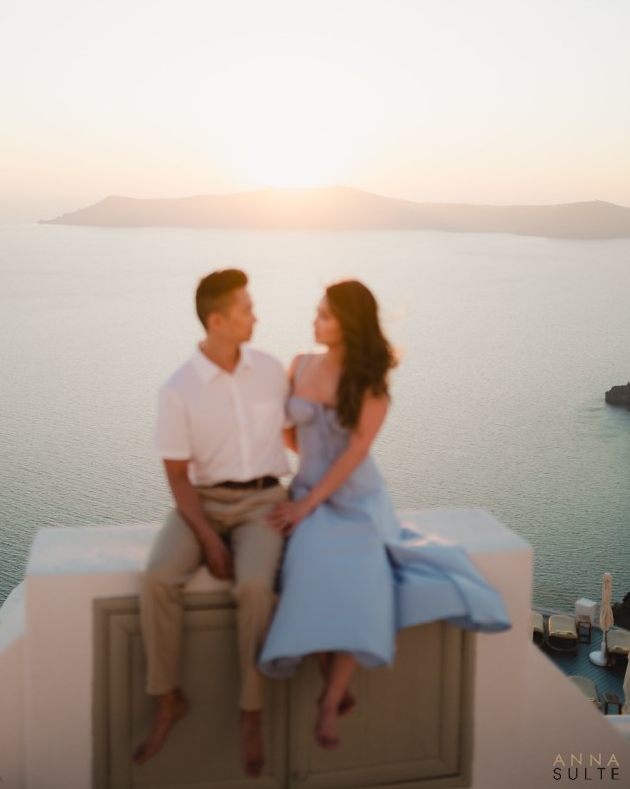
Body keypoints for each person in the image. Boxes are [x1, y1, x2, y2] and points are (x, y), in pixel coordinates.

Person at [259, 279, 511, 750]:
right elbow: (290, 436)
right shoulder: (300, 363)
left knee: (360, 577)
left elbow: (354, 454)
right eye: (316, 311)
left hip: (354, 499)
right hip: (308, 490)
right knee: (306, 568)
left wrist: (306, 505)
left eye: (326, 315)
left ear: (349, 324)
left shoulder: (371, 385)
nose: (315, 320)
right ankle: (336, 682)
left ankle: (329, 702)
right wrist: (298, 484)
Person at [134, 269, 290, 777]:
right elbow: (176, 476)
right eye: (246, 309)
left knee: (253, 587)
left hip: (263, 502)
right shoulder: (177, 389)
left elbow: (295, 435)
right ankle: (167, 699)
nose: (256, 316)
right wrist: (206, 537)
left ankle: (250, 713)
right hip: (200, 502)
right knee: (157, 576)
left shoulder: (270, 369)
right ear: (217, 320)